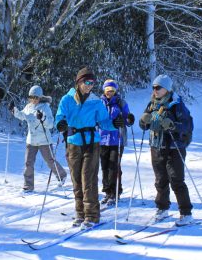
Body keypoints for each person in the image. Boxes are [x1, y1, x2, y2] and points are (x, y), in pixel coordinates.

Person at [55, 67, 124, 229]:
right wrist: (60, 124)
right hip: (73, 143)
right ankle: (80, 213)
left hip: (92, 143)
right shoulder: (67, 99)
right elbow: (60, 116)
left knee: (89, 178)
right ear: (79, 82)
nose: (89, 85)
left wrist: (114, 124)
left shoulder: (95, 102)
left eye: (92, 83)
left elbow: (104, 122)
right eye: (86, 82)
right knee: (76, 179)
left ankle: (92, 215)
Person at [138, 74, 194, 226]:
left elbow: (188, 126)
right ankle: (162, 209)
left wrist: (173, 125)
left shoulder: (177, 104)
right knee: (160, 180)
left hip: (174, 147)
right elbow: (143, 125)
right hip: (156, 146)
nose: (155, 90)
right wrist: (143, 121)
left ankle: (186, 212)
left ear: (167, 89)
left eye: (158, 87)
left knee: (176, 180)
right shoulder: (152, 104)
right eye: (153, 87)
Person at [9, 85, 67, 193]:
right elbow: (22, 116)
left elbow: (50, 124)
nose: (33, 99)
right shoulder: (28, 107)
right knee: (28, 163)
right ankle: (28, 186)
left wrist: (43, 118)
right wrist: (14, 111)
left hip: (44, 140)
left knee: (50, 161)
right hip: (31, 140)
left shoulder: (45, 107)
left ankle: (62, 175)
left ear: (40, 97)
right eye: (31, 97)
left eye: (36, 97)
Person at [98, 79, 135, 206]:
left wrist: (128, 120)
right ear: (104, 90)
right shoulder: (99, 103)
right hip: (102, 139)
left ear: (115, 91)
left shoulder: (120, 102)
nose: (110, 93)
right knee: (104, 166)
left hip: (117, 139)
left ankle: (115, 192)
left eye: (112, 90)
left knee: (114, 166)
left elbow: (127, 118)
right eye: (108, 90)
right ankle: (107, 191)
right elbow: (96, 119)